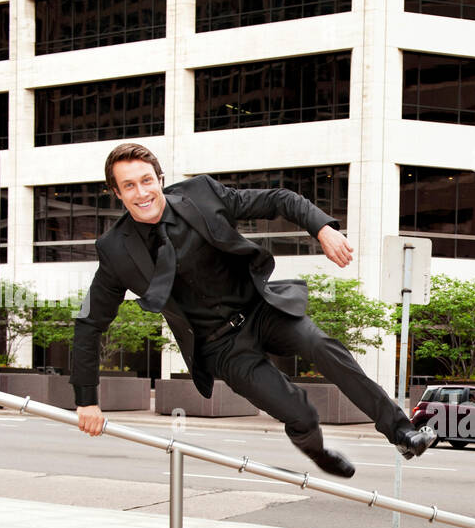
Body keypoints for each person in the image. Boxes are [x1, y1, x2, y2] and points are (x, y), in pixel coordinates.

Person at [70, 142, 434, 477]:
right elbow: (89, 324)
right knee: (299, 413)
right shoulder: (115, 249)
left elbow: (278, 199)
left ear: (160, 179)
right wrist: (86, 401)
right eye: (129, 186)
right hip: (220, 347)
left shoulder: (201, 194)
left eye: (147, 180)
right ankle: (318, 451)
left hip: (260, 308)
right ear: (117, 194)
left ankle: (400, 430)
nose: (142, 192)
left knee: (321, 345)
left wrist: (322, 228)